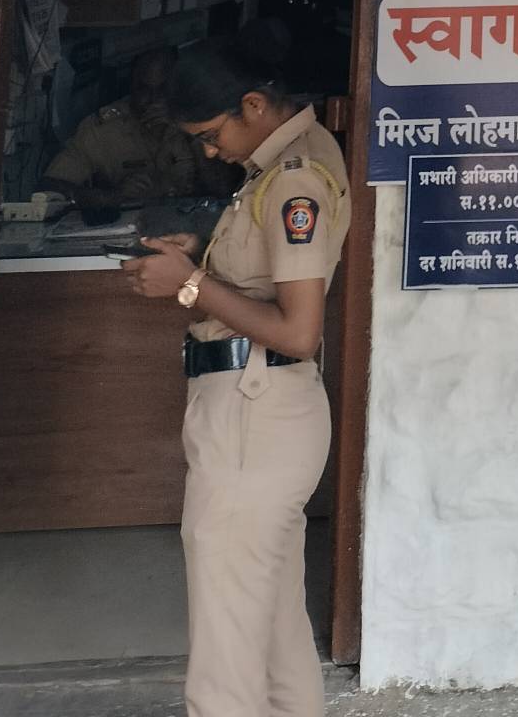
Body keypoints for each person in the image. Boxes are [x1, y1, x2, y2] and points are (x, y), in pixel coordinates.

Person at [123, 37, 350, 717]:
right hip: (262, 410)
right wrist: (200, 261)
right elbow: (263, 274)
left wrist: (191, 285)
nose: (208, 152)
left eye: (210, 134)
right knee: (275, 633)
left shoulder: (294, 180)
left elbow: (299, 330)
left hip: (256, 412)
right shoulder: (283, 163)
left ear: (252, 104)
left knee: (225, 653)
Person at [44, 46, 235, 216]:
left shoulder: (201, 118)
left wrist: (188, 132)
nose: (152, 100)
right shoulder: (102, 129)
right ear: (131, 87)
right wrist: (112, 197)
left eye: (162, 90)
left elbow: (225, 189)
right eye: (143, 89)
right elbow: (49, 186)